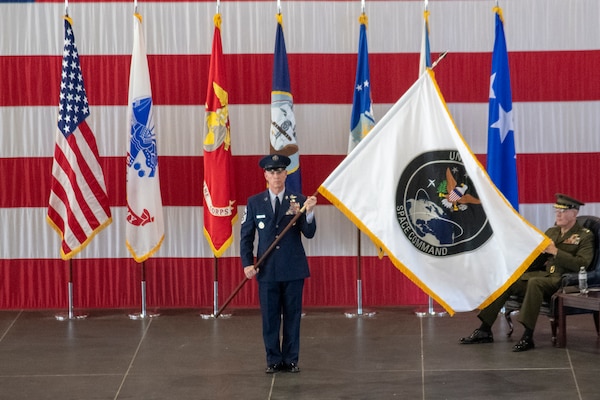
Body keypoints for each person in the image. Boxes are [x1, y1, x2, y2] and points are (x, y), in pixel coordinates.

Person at [459, 193, 594, 352]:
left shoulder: (585, 236)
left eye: (563, 211)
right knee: (509, 279)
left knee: (535, 283)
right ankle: (484, 329)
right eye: (557, 210)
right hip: (545, 275)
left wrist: (555, 252)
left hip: (563, 280)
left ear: (574, 213)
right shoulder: (552, 232)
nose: (558, 213)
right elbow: (538, 260)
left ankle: (528, 336)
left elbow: (582, 264)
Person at [240, 154, 317, 373]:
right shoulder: (255, 202)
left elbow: (309, 233)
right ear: (265, 175)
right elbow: (246, 236)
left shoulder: (298, 201)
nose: (276, 176)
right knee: (270, 318)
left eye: (280, 171)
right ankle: (273, 360)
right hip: (267, 270)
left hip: (293, 269)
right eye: (271, 172)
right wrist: (247, 263)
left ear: (286, 174)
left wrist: (309, 213)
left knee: (293, 316)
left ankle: (291, 359)